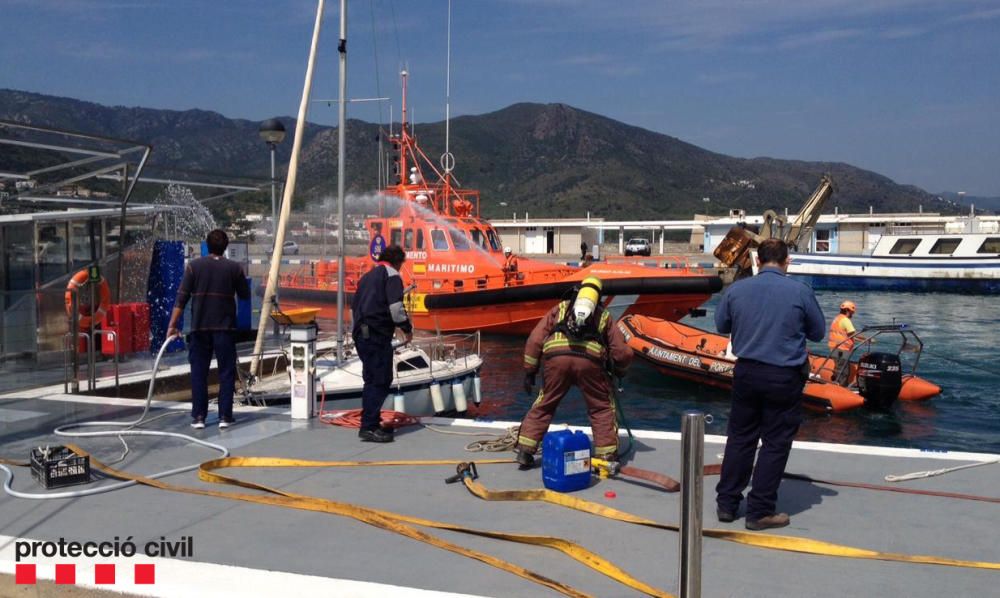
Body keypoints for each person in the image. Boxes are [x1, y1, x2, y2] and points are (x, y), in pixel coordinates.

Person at [714, 239, 825, 530]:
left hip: (747, 373)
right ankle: (759, 511)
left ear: (757, 261)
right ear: (787, 260)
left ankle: (726, 504)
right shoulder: (800, 291)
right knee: (775, 443)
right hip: (784, 376)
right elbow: (817, 332)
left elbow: (721, 325)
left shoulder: (737, 290)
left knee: (740, 438)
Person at [516, 276, 632, 469]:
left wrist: (530, 371)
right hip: (590, 363)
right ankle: (606, 457)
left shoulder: (560, 309)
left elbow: (535, 339)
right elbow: (622, 352)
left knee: (545, 403)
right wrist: (620, 371)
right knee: (601, 407)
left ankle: (525, 451)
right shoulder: (603, 316)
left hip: (556, 360)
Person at [167, 229, 251, 430]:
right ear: (226, 247)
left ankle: (199, 417)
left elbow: (181, 299)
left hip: (199, 328)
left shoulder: (194, 267)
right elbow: (245, 295)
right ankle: (225, 416)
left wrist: (172, 325)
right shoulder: (235, 268)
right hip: (225, 328)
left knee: (198, 372)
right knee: (226, 373)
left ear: (206, 245)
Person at [352, 244, 413, 443]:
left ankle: (372, 421)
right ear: (398, 262)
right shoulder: (392, 275)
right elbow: (396, 308)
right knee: (380, 380)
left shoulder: (367, 277)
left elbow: (356, 305)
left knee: (371, 380)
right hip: (376, 335)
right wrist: (406, 328)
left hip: (361, 334)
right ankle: (368, 427)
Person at [828, 300, 859, 384]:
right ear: (848, 310)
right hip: (842, 349)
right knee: (843, 371)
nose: (852, 314)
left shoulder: (837, 318)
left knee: (838, 368)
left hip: (834, 348)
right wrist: (867, 340)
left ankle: (835, 383)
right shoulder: (846, 320)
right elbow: (853, 335)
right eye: (852, 312)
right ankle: (840, 387)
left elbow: (846, 335)